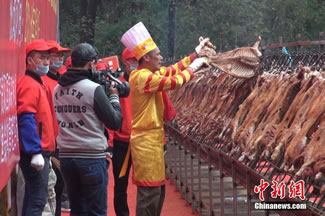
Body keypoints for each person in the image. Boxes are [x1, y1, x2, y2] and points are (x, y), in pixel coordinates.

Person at [120, 22, 209, 216]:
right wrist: (195, 67)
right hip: (145, 142)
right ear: (146, 58)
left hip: (152, 140)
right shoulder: (141, 77)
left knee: (157, 190)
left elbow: (171, 70)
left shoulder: (147, 73)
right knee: (149, 191)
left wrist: (194, 55)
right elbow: (174, 81)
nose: (161, 58)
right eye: (158, 54)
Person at [53, 42, 123, 215]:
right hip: (91, 157)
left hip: (67, 158)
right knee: (96, 211)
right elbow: (114, 122)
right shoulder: (93, 89)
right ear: (91, 63)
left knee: (77, 210)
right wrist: (114, 98)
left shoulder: (57, 89)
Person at [17, 38, 57, 216]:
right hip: (37, 153)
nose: (46, 62)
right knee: (37, 199)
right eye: (42, 58)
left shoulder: (36, 83)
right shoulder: (29, 85)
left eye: (47, 58)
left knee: (34, 197)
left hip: (41, 151)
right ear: (30, 60)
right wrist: (35, 151)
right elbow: (26, 118)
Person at [42, 40, 71, 216]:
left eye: (61, 55)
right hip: (52, 143)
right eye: (55, 56)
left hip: (64, 139)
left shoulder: (62, 79)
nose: (59, 59)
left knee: (60, 187)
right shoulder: (44, 82)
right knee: (53, 188)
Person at [106, 48, 135, 216]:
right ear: (125, 62)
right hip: (121, 144)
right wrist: (109, 144)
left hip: (142, 142)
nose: (136, 64)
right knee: (120, 184)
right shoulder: (116, 85)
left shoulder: (147, 83)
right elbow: (111, 115)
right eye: (133, 60)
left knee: (147, 184)